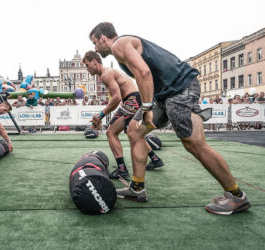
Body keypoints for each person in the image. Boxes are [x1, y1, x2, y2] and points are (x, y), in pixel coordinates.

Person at [89, 22, 250, 215]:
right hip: (163, 95)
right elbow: (145, 74)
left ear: (103, 38)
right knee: (134, 130)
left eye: (95, 42)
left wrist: (147, 106)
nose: (95, 48)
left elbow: (144, 72)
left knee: (194, 143)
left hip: (180, 88)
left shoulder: (119, 45)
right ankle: (137, 188)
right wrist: (150, 103)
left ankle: (236, 196)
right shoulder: (122, 49)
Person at [83, 51, 164, 179]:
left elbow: (116, 97)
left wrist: (101, 115)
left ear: (94, 62)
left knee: (111, 132)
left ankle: (122, 169)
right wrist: (103, 114)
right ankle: (155, 159)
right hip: (133, 99)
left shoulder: (105, 74)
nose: (87, 69)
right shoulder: (107, 72)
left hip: (131, 99)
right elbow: (118, 98)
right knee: (135, 135)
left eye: (87, 65)